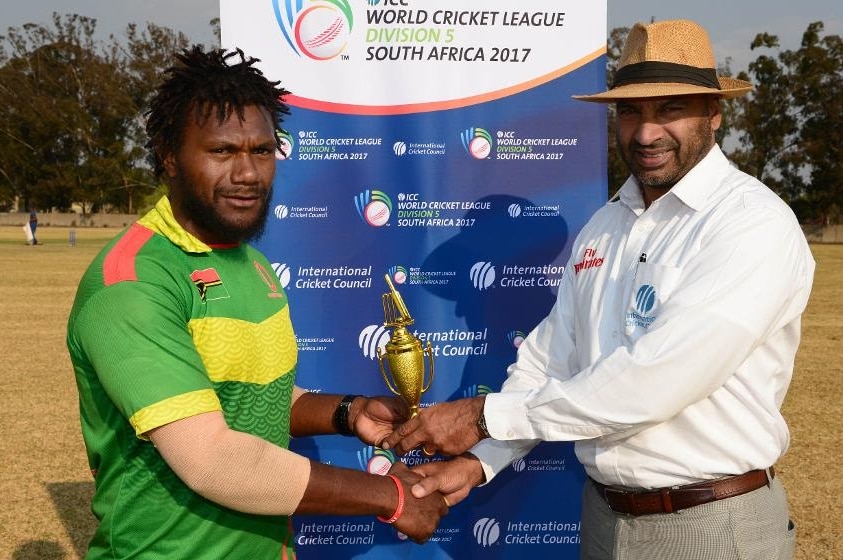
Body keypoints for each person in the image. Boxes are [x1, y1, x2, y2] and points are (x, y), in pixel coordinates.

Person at [382, 19, 814, 560]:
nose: (646, 132)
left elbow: (656, 378)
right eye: (630, 110)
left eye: (670, 109)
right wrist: (481, 459)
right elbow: (551, 358)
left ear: (714, 113)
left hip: (712, 526)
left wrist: (482, 415)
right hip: (603, 519)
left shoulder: (752, 224)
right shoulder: (607, 225)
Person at [66, 46, 447, 559]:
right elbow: (212, 459)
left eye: (262, 151)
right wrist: (391, 496)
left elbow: (254, 401)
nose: (248, 173)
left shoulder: (251, 265)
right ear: (168, 155)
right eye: (222, 152)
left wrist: (347, 412)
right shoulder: (133, 282)